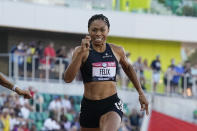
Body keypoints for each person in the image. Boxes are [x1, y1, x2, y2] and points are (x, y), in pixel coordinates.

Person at [64, 14, 149, 131]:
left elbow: (129, 68)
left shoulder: (117, 50)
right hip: (89, 106)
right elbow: (68, 79)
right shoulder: (80, 51)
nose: (98, 33)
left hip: (111, 103)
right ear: (89, 31)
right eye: (94, 30)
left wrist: (141, 93)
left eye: (102, 30)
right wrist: (80, 53)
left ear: (108, 31)